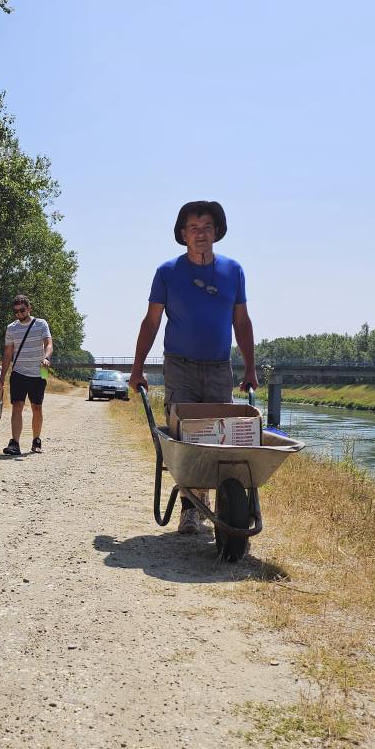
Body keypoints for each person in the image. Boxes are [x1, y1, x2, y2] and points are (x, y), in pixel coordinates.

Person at [129, 200, 258, 534]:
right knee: (186, 436)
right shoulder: (168, 272)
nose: (200, 234)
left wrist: (250, 368)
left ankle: (218, 502)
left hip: (219, 367)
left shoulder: (233, 271)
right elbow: (151, 322)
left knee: (220, 438)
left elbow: (241, 322)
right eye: (193, 228)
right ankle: (190, 508)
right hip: (180, 367)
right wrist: (138, 367)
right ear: (183, 234)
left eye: (206, 228)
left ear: (216, 232)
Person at [0, 294, 53, 456]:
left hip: (39, 371)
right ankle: (14, 443)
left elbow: (48, 343)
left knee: (37, 407)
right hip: (19, 372)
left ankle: (36, 440)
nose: (19, 314)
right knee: (17, 405)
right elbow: (8, 354)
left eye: (22, 310)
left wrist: (46, 357)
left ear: (29, 309)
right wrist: (2, 377)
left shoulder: (41, 324)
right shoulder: (11, 328)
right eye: (16, 311)